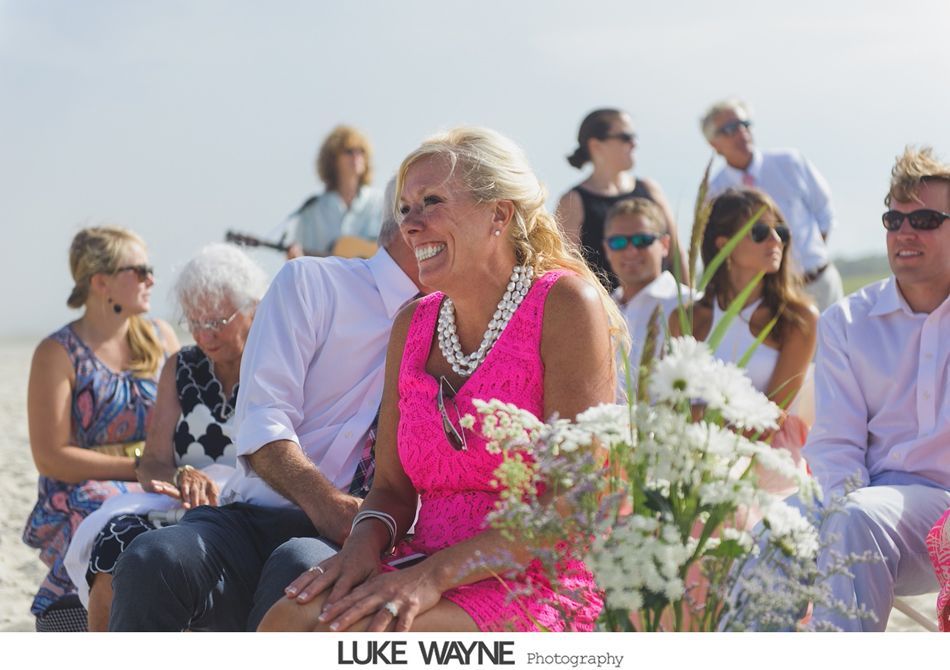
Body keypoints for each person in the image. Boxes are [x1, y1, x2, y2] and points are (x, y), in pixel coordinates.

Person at [259, 126, 622, 633]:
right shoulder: (412, 323)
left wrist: (434, 577)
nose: (411, 224)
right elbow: (389, 488)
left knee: (368, 641)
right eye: (405, 209)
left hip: (533, 577)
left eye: (431, 201)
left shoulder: (565, 306)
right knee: (284, 624)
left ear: (500, 213)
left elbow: (571, 504)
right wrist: (359, 549)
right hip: (421, 565)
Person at [107, 180, 424, 631]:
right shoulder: (314, 283)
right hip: (255, 514)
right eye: (422, 205)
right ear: (404, 221)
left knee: (299, 568)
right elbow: (261, 421)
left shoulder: (454, 320)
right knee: (150, 558)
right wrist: (329, 505)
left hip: (358, 537)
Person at [61, 243, 268, 631]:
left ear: (253, 308)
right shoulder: (183, 365)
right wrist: (180, 474)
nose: (205, 335)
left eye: (218, 321)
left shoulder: (274, 361)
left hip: (250, 509)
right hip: (181, 506)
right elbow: (153, 460)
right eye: (195, 322)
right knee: (112, 544)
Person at [800, 146, 950, 631]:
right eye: (894, 220)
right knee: (767, 536)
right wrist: (841, 517)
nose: (906, 232)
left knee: (855, 520)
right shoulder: (846, 321)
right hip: (873, 509)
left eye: (925, 219)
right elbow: (836, 445)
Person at [22, 226, 179, 631]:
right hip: (83, 486)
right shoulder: (58, 352)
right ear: (100, 282)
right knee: (117, 529)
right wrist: (141, 468)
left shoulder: (162, 339)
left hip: (158, 477)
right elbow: (51, 456)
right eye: (139, 270)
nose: (151, 280)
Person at [701, 98, 843, 312]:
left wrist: (805, 259)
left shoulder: (789, 162)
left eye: (745, 124)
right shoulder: (714, 192)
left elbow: (824, 213)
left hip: (820, 283)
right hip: (768, 300)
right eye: (730, 129)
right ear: (714, 144)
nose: (741, 132)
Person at [556, 108, 687, 289]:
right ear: (596, 145)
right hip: (608, 312)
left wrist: (690, 309)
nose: (634, 144)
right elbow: (567, 270)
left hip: (663, 309)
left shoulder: (650, 189)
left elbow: (676, 253)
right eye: (626, 137)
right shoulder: (573, 202)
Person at [602, 197, 693, 397]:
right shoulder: (599, 308)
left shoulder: (689, 305)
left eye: (642, 240)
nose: (631, 251)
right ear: (607, 249)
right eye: (618, 242)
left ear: (665, 245)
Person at [286, 124, 383, 258]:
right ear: (332, 160)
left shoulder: (381, 202)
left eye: (361, 151)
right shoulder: (312, 210)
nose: (356, 156)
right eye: (349, 151)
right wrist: (296, 259)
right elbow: (302, 264)